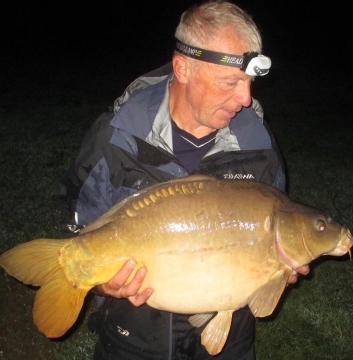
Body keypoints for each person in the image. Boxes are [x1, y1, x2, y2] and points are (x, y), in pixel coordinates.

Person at [57, 1, 309, 359]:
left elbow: (276, 231)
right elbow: (80, 226)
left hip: (229, 341)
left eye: (249, 83)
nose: (245, 98)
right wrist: (102, 282)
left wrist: (279, 269)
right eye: (230, 82)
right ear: (183, 68)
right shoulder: (116, 138)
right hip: (133, 335)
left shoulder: (260, 146)